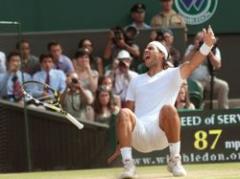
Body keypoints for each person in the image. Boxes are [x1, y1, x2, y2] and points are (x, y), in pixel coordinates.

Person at [113, 26, 216, 178]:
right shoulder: (136, 81)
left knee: (169, 108)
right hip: (140, 135)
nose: (146, 51)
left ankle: (175, 160)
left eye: (151, 48)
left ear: (162, 55)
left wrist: (207, 45)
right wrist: (120, 142)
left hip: (162, 133)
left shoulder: (173, 74)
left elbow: (193, 64)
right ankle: (129, 166)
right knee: (123, 112)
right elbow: (126, 116)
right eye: (145, 49)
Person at [184, 32, 229, 109]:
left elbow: (217, 65)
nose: (200, 42)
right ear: (194, 40)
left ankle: (223, 111)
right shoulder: (191, 48)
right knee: (199, 88)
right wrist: (195, 49)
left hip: (208, 79)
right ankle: (199, 112)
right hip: (194, 81)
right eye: (198, 39)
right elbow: (184, 61)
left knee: (223, 86)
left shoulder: (214, 48)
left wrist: (209, 52)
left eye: (202, 40)